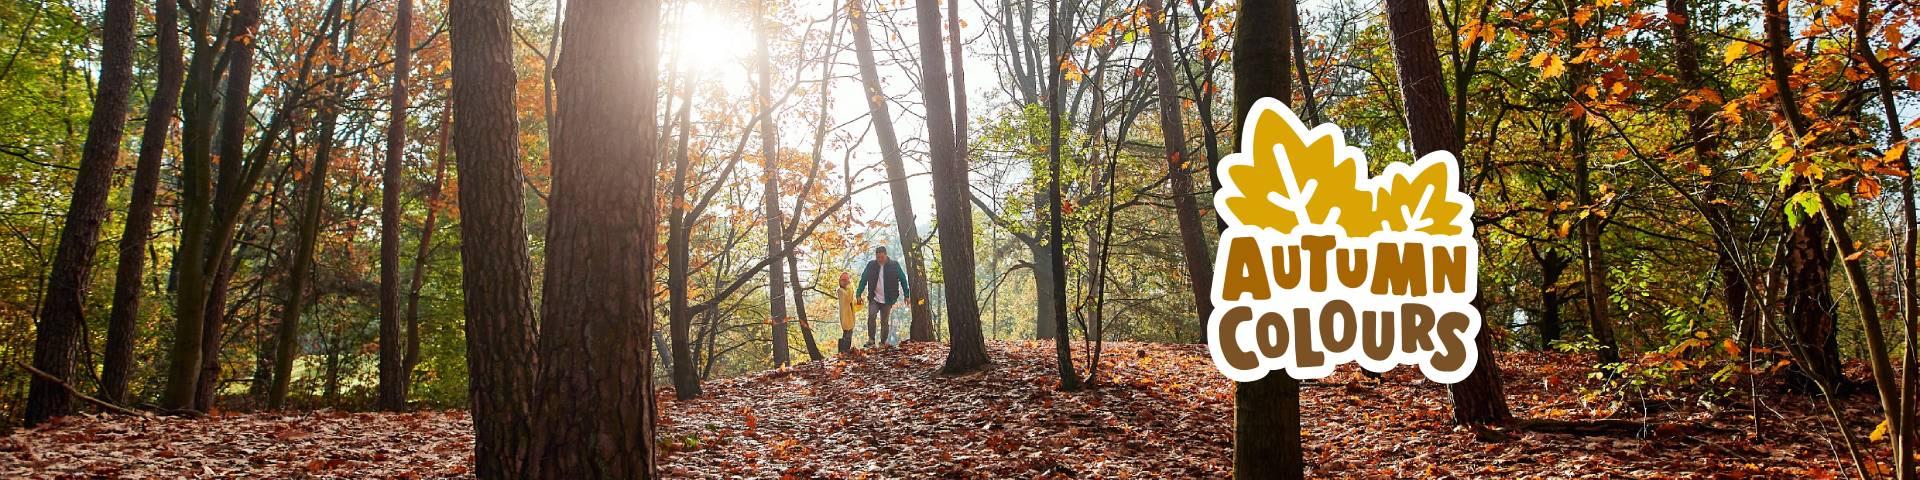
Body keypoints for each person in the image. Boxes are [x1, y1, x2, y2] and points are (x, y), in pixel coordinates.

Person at [855, 246, 910, 347]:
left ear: (886, 255)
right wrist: (858, 294)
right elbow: (863, 279)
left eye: (881, 257)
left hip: (888, 299)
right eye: (878, 257)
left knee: (884, 321)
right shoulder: (871, 265)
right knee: (871, 316)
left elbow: (903, 279)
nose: (880, 259)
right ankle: (871, 340)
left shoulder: (894, 265)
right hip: (874, 297)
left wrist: (907, 295)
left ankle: (882, 342)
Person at [837, 271, 858, 353]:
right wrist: (850, 286)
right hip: (846, 318)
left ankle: (845, 351)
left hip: (850, 318)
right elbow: (848, 298)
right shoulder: (840, 291)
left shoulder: (847, 290)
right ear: (840, 281)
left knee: (848, 335)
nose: (845, 282)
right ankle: (843, 351)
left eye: (847, 280)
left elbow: (851, 303)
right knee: (846, 336)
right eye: (843, 280)